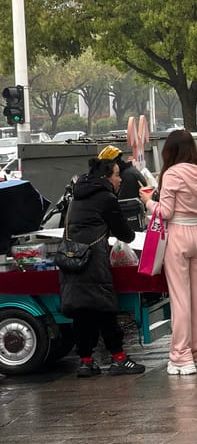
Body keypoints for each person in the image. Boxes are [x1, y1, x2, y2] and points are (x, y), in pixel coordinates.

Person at [59, 157, 146, 377]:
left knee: (82, 312)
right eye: (116, 175)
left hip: (72, 259)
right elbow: (125, 233)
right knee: (105, 310)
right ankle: (118, 359)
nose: (119, 179)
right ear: (106, 176)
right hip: (93, 262)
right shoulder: (106, 198)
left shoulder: (77, 195)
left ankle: (86, 362)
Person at [140, 129, 197, 376]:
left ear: (170, 151)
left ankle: (181, 356)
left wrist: (148, 202)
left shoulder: (171, 173)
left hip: (178, 234)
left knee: (180, 299)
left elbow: (166, 212)